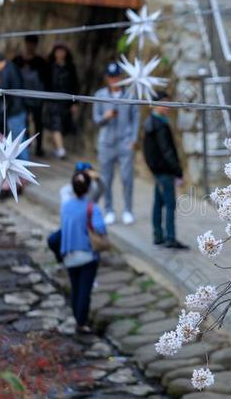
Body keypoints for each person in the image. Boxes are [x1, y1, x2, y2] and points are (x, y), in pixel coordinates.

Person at [92, 62, 139, 226]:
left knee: (127, 178)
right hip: (106, 143)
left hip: (125, 143)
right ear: (107, 78)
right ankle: (109, 210)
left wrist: (133, 139)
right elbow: (96, 120)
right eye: (111, 77)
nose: (114, 80)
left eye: (117, 76)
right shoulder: (99, 94)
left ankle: (128, 210)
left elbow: (135, 119)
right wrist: (106, 116)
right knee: (106, 179)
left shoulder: (130, 95)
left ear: (121, 77)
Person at [60, 171, 106, 333]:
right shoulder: (92, 208)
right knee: (85, 290)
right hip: (87, 256)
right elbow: (100, 228)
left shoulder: (65, 206)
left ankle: (76, 317)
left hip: (69, 255)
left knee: (76, 288)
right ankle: (81, 322)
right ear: (88, 189)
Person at [143, 91, 188, 249]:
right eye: (164, 103)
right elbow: (167, 151)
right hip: (164, 171)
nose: (168, 107)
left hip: (158, 171)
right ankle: (170, 238)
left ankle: (158, 236)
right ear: (155, 104)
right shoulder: (160, 125)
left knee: (158, 203)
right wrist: (178, 171)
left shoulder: (150, 122)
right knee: (169, 204)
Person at [48, 162, 105, 263]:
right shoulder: (66, 190)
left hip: (88, 228)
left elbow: (103, 188)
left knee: (93, 241)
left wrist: (98, 178)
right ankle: (62, 259)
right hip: (72, 226)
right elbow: (70, 209)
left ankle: (94, 257)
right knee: (53, 240)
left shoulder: (93, 188)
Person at [0, 53, 28, 161]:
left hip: (15, 111)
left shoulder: (6, 70)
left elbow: (2, 88)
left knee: (18, 142)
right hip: (19, 109)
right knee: (19, 140)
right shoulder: (12, 67)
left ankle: (25, 167)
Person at [13, 35, 48, 157]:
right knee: (23, 122)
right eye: (28, 43)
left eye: (32, 44)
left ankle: (38, 147)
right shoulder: (17, 60)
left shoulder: (41, 61)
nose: (30, 46)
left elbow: (45, 80)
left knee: (38, 122)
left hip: (36, 96)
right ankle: (25, 146)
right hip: (21, 96)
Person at [44, 42, 79, 159]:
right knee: (56, 124)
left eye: (62, 51)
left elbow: (75, 85)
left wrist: (75, 103)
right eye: (58, 51)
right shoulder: (49, 66)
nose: (60, 54)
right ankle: (61, 149)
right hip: (53, 100)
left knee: (63, 125)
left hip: (66, 100)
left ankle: (58, 148)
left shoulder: (70, 67)